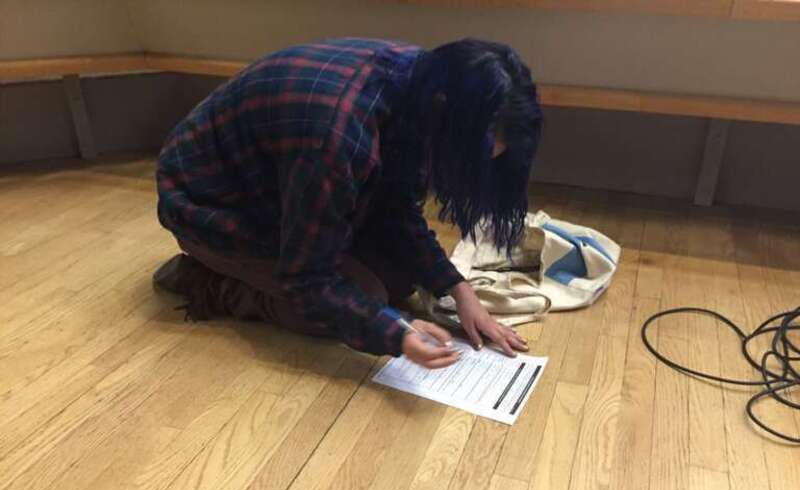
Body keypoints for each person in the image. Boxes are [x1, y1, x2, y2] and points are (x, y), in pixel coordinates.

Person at [153, 37, 543, 369]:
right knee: (363, 299)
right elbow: (307, 279)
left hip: (280, 189)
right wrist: (396, 334)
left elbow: (398, 211)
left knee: (399, 278)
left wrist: (460, 291)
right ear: (446, 111)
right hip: (209, 203)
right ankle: (208, 280)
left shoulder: (426, 85)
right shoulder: (336, 136)